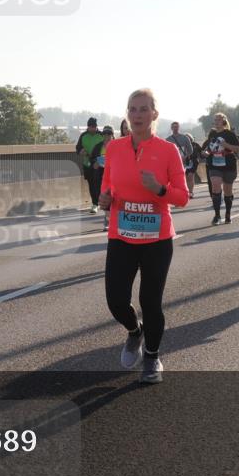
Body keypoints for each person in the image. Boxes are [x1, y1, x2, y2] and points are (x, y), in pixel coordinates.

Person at [98, 89, 188, 384]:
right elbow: (107, 184)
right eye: (132, 109)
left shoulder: (167, 150)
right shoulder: (114, 148)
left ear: (154, 114)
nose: (137, 115)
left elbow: (183, 197)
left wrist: (159, 189)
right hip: (122, 235)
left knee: (151, 302)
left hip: (156, 240)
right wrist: (105, 199)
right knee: (115, 300)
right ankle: (134, 332)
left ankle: (152, 356)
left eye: (143, 109)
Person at [200, 113, 239, 225]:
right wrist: (206, 153)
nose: (216, 122)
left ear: (223, 121)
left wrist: (226, 144)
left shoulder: (230, 134)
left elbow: (238, 149)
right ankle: (217, 215)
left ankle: (228, 214)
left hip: (228, 164)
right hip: (214, 164)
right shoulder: (212, 134)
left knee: (228, 191)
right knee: (215, 184)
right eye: (215, 120)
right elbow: (210, 148)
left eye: (218, 120)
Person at [76, 117, 105, 213]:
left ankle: (101, 202)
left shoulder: (101, 135)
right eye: (90, 127)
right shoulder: (83, 136)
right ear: (87, 127)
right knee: (91, 184)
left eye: (94, 127)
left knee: (99, 184)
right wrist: (81, 151)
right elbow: (78, 148)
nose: (92, 129)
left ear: (96, 127)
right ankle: (94, 204)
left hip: (99, 164)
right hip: (87, 164)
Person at [165, 122, 195, 199]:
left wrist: (185, 156)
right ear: (171, 128)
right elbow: (166, 152)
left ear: (179, 128)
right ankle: (179, 195)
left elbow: (190, 150)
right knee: (178, 179)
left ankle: (189, 192)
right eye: (174, 127)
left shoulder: (185, 138)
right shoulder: (168, 140)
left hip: (185, 161)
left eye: (177, 127)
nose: (175, 128)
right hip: (174, 163)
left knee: (188, 177)